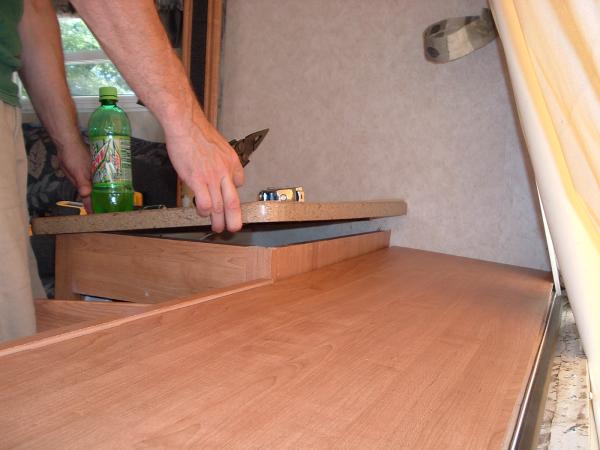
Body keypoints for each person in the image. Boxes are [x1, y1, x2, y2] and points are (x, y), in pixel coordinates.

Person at [0, 0, 245, 342]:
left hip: (5, 103)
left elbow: (34, 9)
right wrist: (187, 124)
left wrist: (70, 144)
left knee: (17, 326)